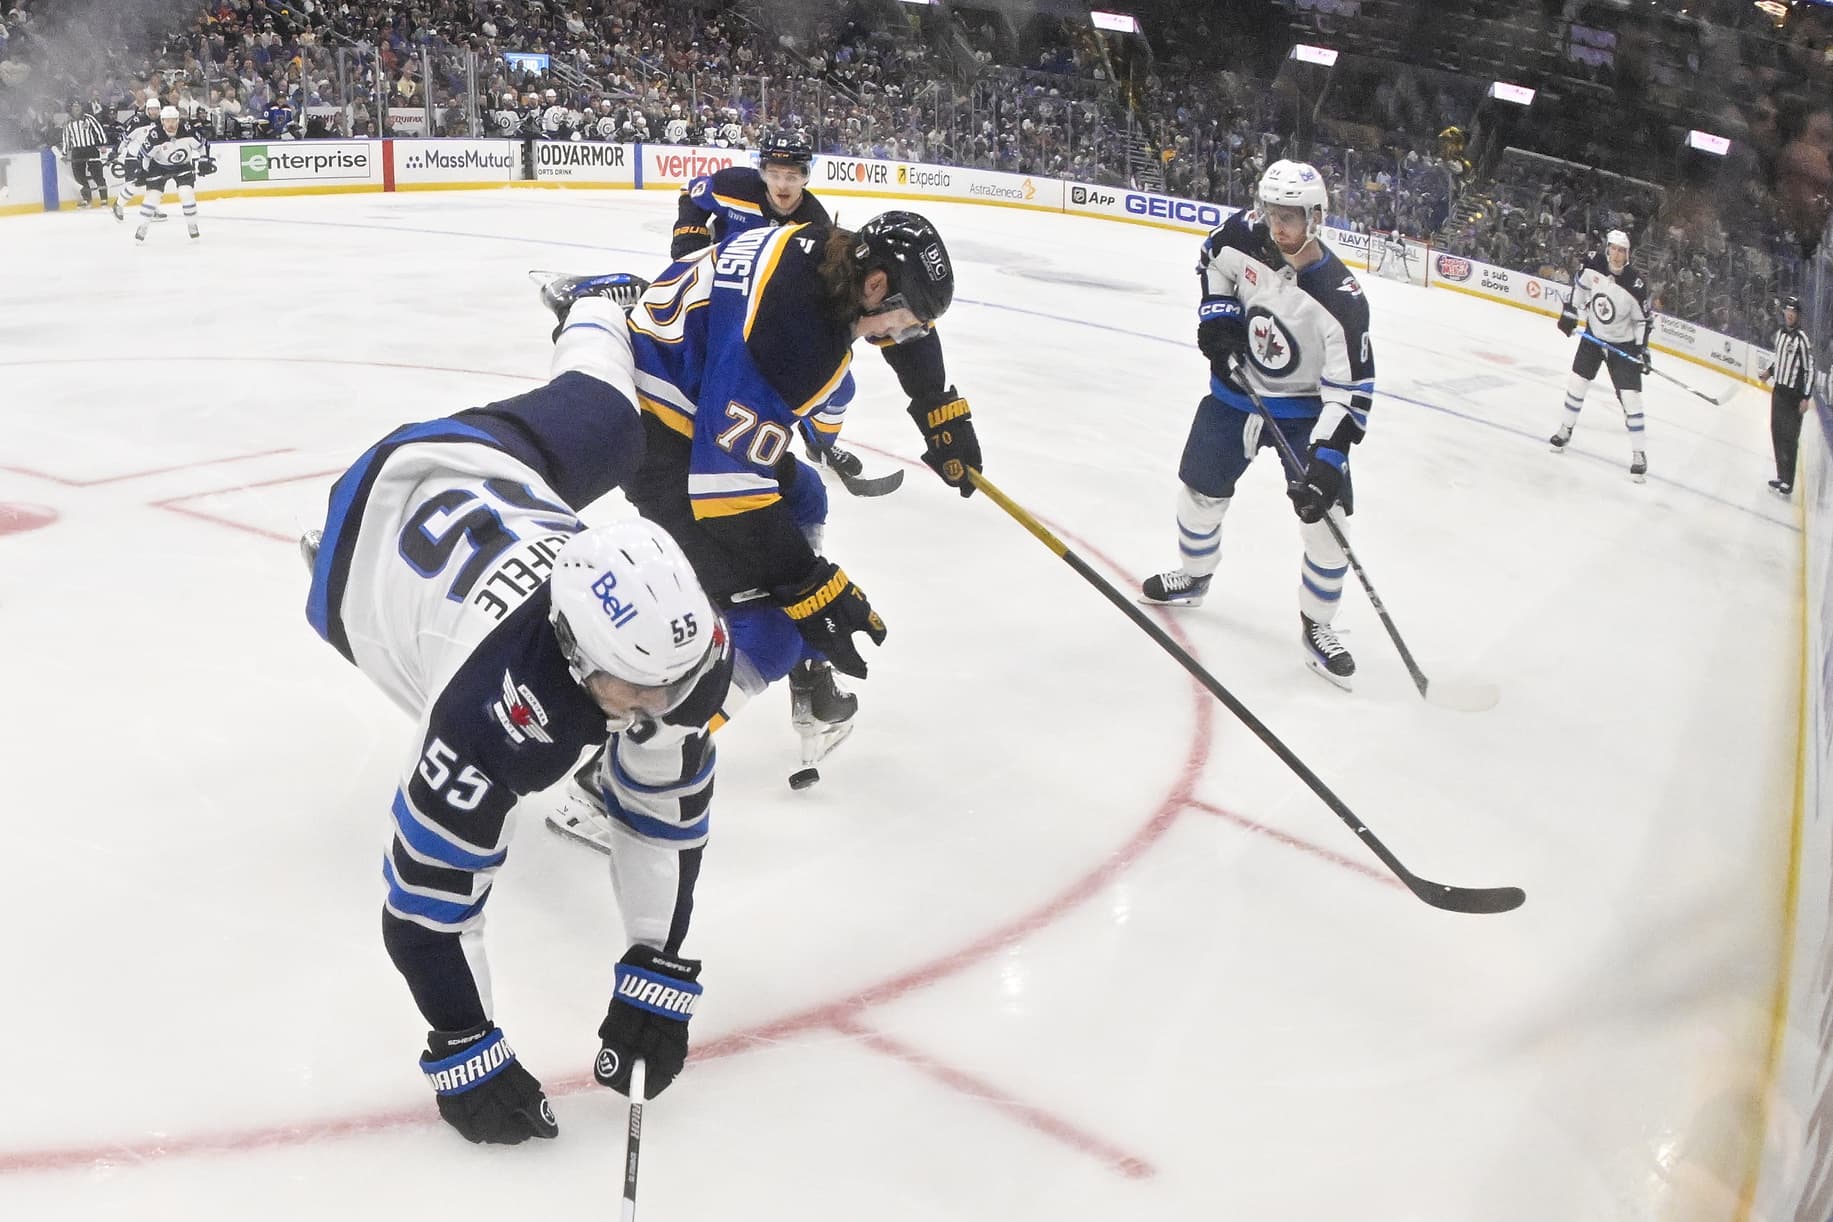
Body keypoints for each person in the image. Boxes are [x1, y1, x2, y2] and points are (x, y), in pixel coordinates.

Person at [301, 291, 733, 1144]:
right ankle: (320, 555)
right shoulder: (484, 720)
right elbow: (426, 911)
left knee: (614, 420)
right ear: (574, 656)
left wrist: (659, 962)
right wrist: (465, 1046)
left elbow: (663, 810)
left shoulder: (681, 661)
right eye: (636, 692)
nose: (665, 710)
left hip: (490, 464)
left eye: (675, 684)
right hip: (369, 544)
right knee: (420, 691)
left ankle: (591, 308)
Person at [544, 210, 981, 845]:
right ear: (878, 286)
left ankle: (808, 675)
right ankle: (608, 784)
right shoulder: (797, 340)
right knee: (768, 632)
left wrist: (938, 407)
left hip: (682, 381)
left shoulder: (829, 251)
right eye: (908, 317)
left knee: (803, 496)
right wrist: (812, 588)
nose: (907, 333)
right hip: (656, 436)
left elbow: (908, 334)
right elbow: (725, 495)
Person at [1139, 159, 1375, 691]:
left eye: (1291, 215)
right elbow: (1211, 261)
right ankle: (1196, 577)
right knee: (1198, 493)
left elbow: (1352, 390)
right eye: (1273, 212)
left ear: (1316, 217)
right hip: (1235, 396)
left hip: (1304, 415)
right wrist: (1220, 319)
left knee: (1328, 525)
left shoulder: (1340, 297)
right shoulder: (1241, 235)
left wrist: (1329, 459)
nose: (1279, 225)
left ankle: (1318, 626)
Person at [667, 131, 870, 479]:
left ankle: (819, 442)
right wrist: (689, 233)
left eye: (792, 176)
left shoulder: (815, 224)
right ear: (761, 171)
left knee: (841, 386)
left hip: (769, 310)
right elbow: (693, 194)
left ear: (806, 176)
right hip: (715, 298)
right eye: (774, 174)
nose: (783, 185)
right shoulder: (734, 185)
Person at [1548, 229, 1653, 482]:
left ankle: (1639, 454)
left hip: (1623, 345)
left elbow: (1643, 321)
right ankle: (1565, 430)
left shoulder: (1636, 285)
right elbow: (1580, 288)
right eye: (1613, 249)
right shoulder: (1593, 264)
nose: (1616, 255)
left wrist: (1642, 350)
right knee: (1577, 383)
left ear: (1627, 255)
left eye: (1622, 251)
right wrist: (1571, 313)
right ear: (1608, 250)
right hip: (1594, 336)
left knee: (1631, 399)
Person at [1759, 295, 1814, 497]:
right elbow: (1779, 361)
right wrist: (1769, 372)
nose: (1789, 315)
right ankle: (1781, 476)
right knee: (1777, 432)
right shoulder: (1781, 334)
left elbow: (1809, 369)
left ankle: (1788, 482)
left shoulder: (1802, 340)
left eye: (1793, 312)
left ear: (1798, 315)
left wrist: (1806, 397)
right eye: (1787, 311)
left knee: (1790, 438)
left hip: (1793, 395)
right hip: (1779, 391)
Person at [135, 105, 214, 243]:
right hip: (159, 167)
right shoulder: (155, 135)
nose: (170, 124)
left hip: (182, 166)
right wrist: (143, 172)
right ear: (162, 121)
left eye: (173, 120)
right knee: (152, 197)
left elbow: (203, 145)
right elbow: (144, 155)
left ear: (178, 120)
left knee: (186, 194)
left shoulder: (187, 130)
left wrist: (203, 161)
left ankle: (192, 225)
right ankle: (143, 226)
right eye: (167, 121)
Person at [108, 96, 163, 222]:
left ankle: (151, 209)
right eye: (151, 109)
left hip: (151, 159)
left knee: (154, 185)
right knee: (133, 186)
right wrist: (116, 151)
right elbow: (125, 138)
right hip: (134, 158)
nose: (154, 112)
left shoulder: (162, 122)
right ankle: (118, 205)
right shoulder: (138, 121)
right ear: (147, 110)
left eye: (156, 109)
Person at [58, 104, 108, 208]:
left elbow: (98, 130)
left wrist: (103, 144)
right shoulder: (68, 123)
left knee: (97, 174)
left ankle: (104, 199)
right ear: (71, 109)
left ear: (81, 108)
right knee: (79, 176)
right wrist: (64, 153)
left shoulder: (89, 118)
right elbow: (66, 138)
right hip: (77, 151)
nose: (76, 109)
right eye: (74, 107)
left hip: (90, 149)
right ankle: (87, 199)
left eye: (78, 106)